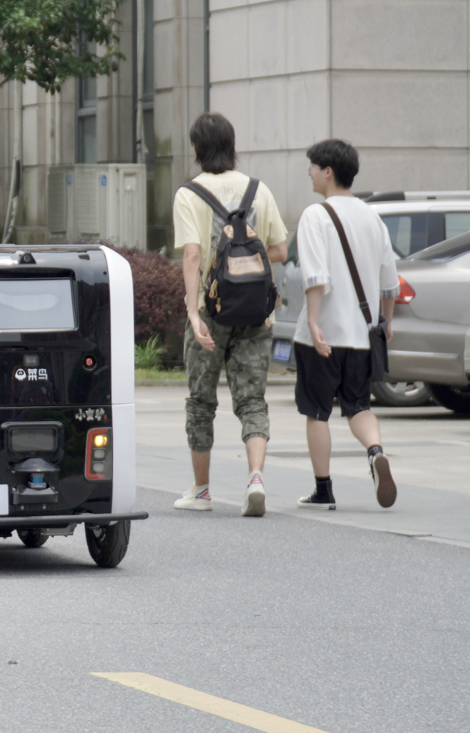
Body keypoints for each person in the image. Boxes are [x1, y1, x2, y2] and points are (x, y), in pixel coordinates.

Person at [171, 113, 289, 516]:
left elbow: (192, 255)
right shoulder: (259, 190)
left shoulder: (189, 194)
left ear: (197, 149)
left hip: (211, 311)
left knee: (201, 402)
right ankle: (255, 476)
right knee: (252, 399)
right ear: (231, 145)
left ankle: (201, 490)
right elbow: (279, 252)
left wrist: (192, 312)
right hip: (257, 312)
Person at [292, 140, 399, 510]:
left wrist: (312, 319)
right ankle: (375, 452)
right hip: (362, 335)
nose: (308, 172)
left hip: (322, 333)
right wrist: (386, 322)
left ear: (328, 172)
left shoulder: (315, 215)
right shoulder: (373, 217)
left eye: (312, 166)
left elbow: (317, 277)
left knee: (317, 411)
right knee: (358, 406)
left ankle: (323, 490)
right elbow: (391, 281)